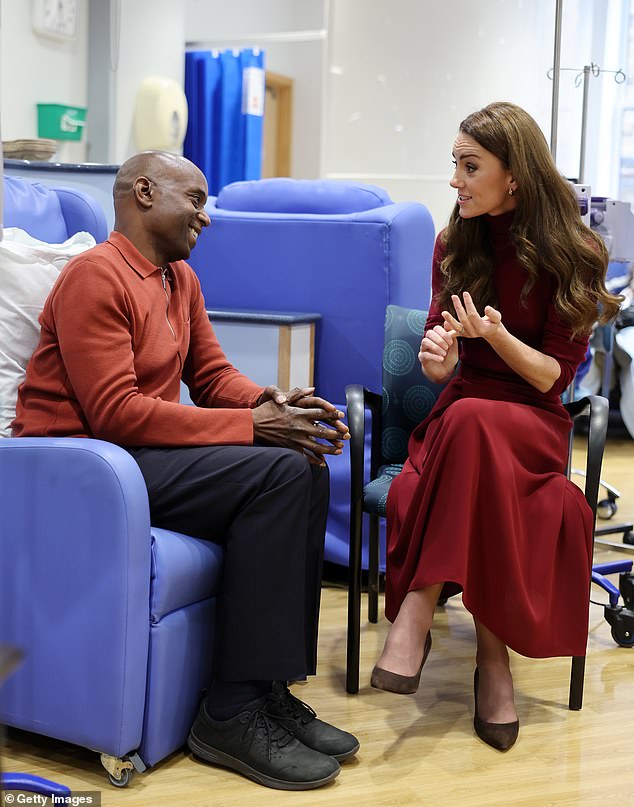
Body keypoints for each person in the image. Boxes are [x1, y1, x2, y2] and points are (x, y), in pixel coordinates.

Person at [12, 151, 359, 790]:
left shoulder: (179, 281)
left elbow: (211, 376)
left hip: (132, 459)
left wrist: (269, 403)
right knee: (277, 473)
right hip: (79, 470)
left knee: (300, 465)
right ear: (144, 192)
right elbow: (115, 411)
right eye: (195, 199)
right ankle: (228, 713)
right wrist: (253, 428)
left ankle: (265, 687)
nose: (207, 215)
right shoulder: (96, 277)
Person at [370, 102, 621, 751]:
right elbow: (440, 345)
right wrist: (442, 356)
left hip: (533, 423)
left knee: (478, 422)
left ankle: (417, 609)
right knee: (471, 419)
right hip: (463, 416)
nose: (454, 179)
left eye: (469, 165)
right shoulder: (454, 242)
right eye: (454, 163)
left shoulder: (577, 250)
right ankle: (492, 666)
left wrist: (497, 336)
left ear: (514, 174)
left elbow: (550, 379)